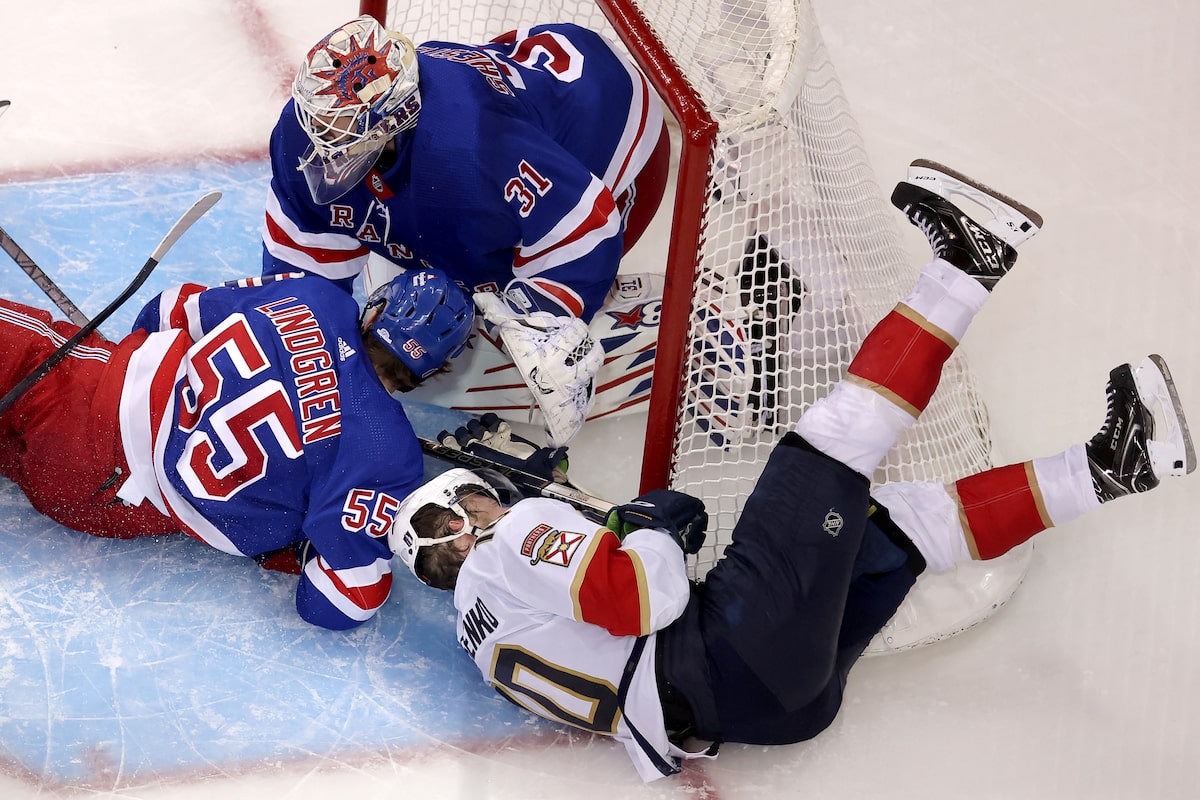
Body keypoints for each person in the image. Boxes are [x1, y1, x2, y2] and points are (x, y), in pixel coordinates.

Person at [384, 161, 1195, 781]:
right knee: (830, 444)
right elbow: (645, 597)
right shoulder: (511, 538)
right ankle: (970, 266)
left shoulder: (476, 638)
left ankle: (1111, 464)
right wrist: (655, 530)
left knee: (902, 525)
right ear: (467, 510)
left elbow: (604, 628)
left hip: (767, 710)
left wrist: (638, 537)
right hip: (730, 651)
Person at [262, 15, 670, 446]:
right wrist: (302, 347)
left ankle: (625, 319)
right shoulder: (300, 136)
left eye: (347, 134)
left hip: (608, 132)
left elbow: (584, 225)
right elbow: (297, 278)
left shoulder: (472, 145)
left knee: (510, 335)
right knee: (417, 306)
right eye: (325, 126)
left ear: (393, 120)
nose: (324, 145)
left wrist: (547, 328)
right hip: (512, 117)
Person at [0, 267, 474, 631]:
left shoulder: (315, 297)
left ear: (375, 311)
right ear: (432, 371)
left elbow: (169, 309)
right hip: (101, 505)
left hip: (81, 400)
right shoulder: (390, 459)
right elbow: (337, 603)